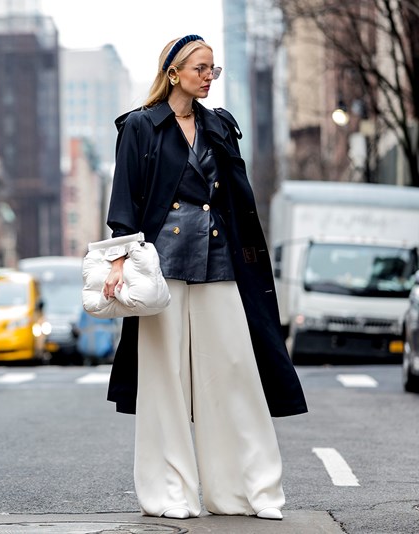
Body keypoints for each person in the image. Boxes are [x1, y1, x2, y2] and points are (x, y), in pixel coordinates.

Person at [102, 35, 308, 521]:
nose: (209, 75)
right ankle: (169, 492)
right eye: (200, 67)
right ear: (173, 72)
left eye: (213, 68)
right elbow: (125, 200)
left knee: (235, 374)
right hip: (161, 268)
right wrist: (117, 259)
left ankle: (245, 491)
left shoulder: (220, 126)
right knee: (164, 383)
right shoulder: (140, 126)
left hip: (220, 262)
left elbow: (238, 200)